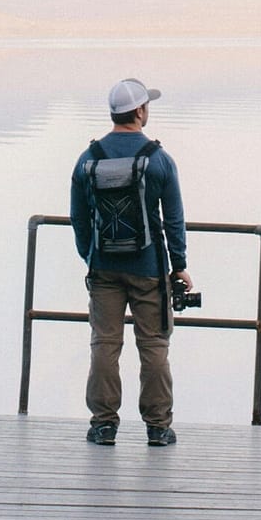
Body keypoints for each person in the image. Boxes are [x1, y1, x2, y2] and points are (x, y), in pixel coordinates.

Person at [70, 77, 191, 447]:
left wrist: (91, 255)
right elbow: (173, 220)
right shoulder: (158, 159)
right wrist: (179, 265)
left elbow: (78, 217)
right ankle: (158, 427)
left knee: (105, 344)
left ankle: (103, 425)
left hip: (104, 269)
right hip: (149, 269)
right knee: (153, 346)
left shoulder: (88, 158)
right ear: (139, 111)